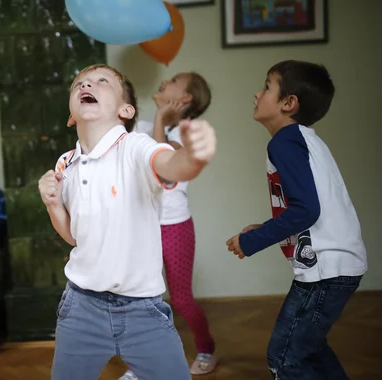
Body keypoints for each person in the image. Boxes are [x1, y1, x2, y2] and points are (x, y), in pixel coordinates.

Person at [38, 64, 217, 379]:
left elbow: (170, 165)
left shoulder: (135, 146)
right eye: (79, 82)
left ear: (126, 109)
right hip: (81, 308)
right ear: (71, 115)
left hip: (142, 312)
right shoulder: (66, 164)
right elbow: (73, 237)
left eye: (101, 81)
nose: (86, 85)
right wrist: (54, 206)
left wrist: (193, 157)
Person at [226, 60, 367, 379]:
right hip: (337, 264)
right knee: (310, 350)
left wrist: (251, 241)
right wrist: (266, 227)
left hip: (324, 270)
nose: (257, 93)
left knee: (285, 357)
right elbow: (313, 207)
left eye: (266, 87)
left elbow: (306, 210)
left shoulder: (285, 142)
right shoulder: (305, 141)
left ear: (288, 103)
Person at [120, 72, 217, 379]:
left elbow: (166, 170)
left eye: (174, 80)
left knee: (181, 299)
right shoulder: (145, 128)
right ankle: (141, 366)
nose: (164, 80)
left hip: (175, 227)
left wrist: (162, 117)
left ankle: (206, 349)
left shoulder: (182, 134)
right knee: (140, 299)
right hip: (143, 226)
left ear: (185, 99)